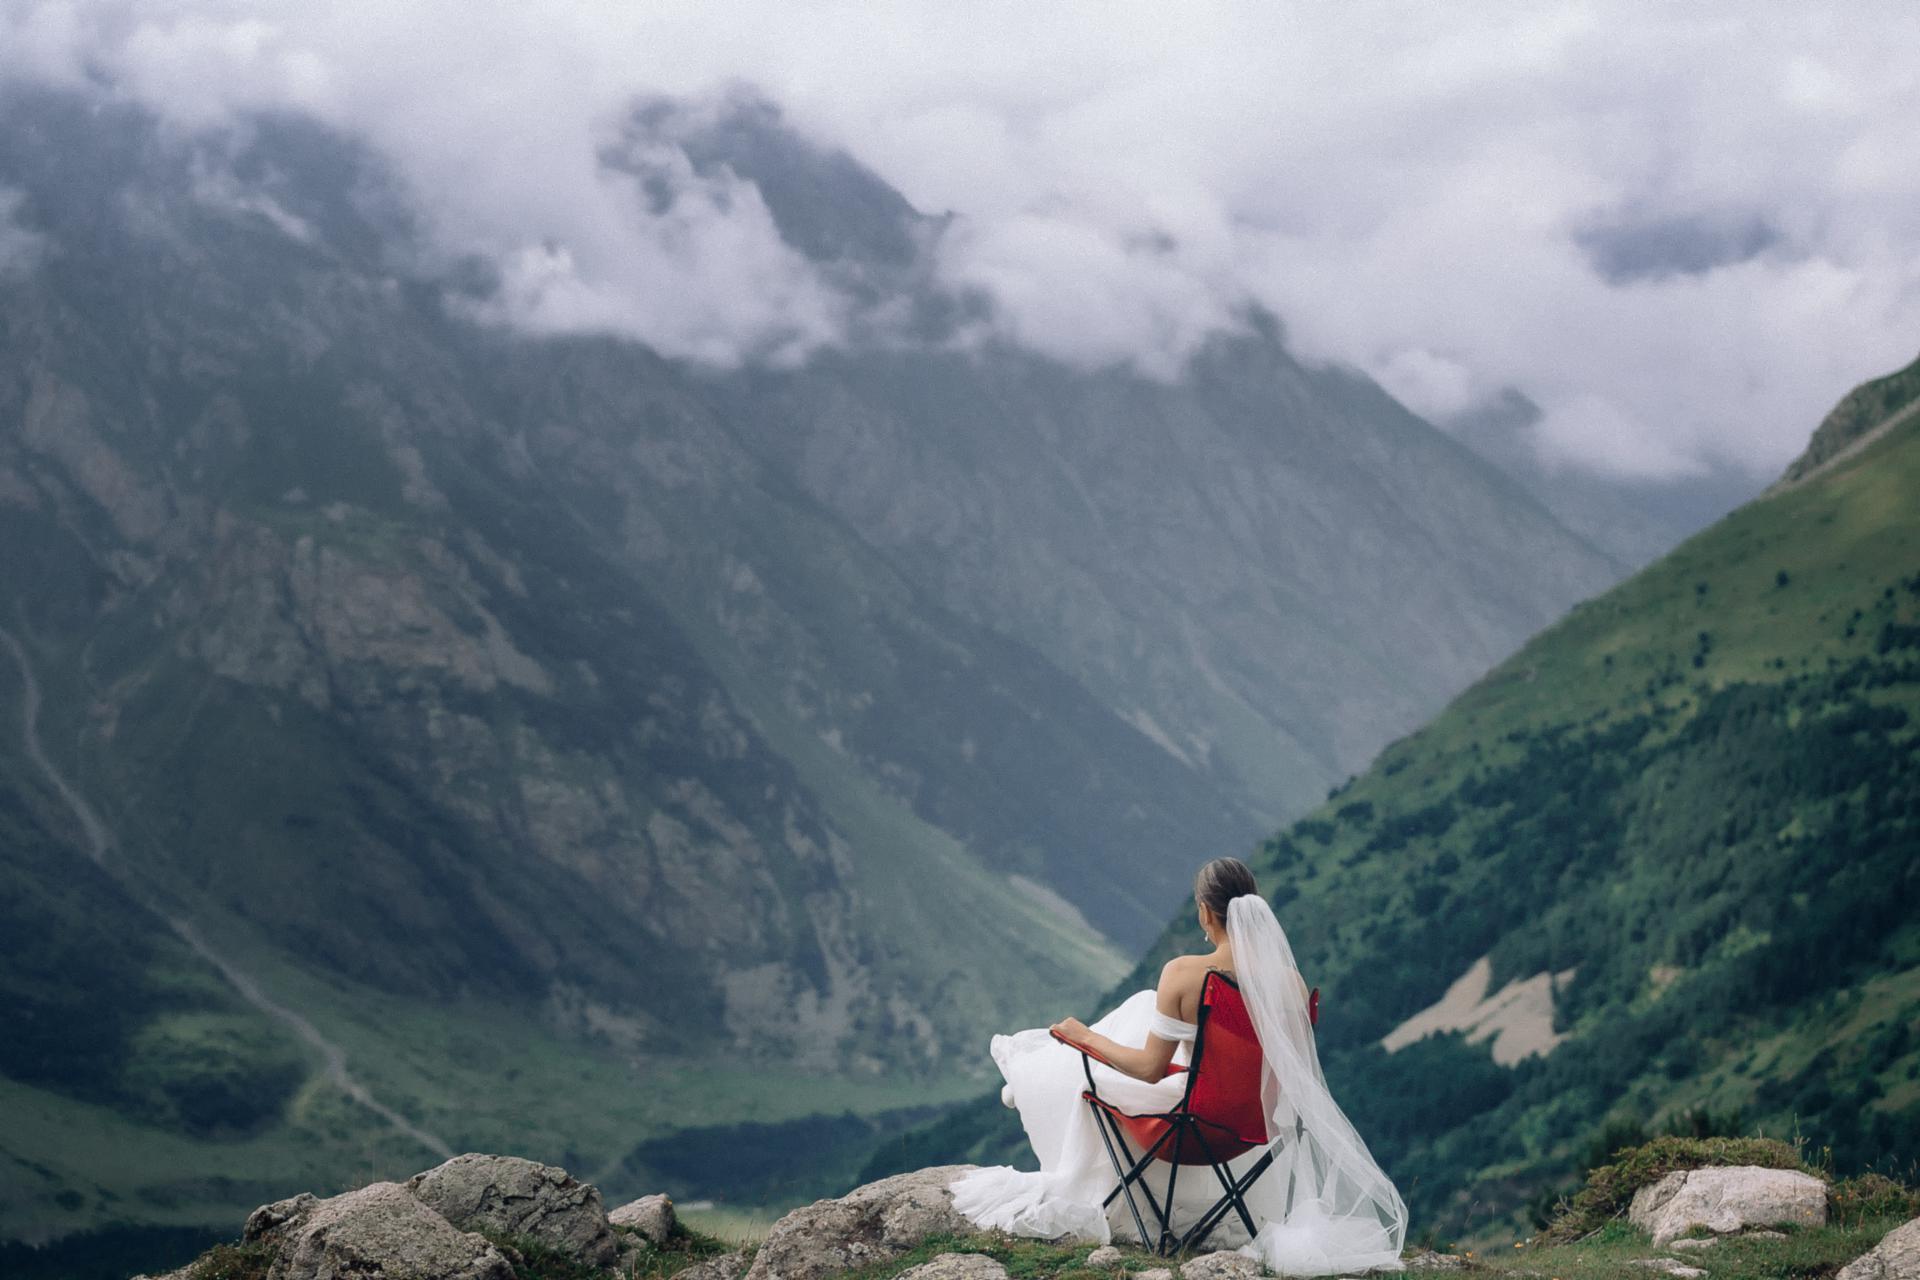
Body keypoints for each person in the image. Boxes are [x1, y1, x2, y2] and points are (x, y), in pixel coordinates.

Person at [948, 858, 1408, 1275]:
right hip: (1255, 1128)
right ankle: (1036, 1075)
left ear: (1206, 913)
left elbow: (1149, 1069)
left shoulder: (1186, 974)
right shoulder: (1288, 981)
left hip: (1190, 1127)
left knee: (1092, 1075)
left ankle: (1033, 1076)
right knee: (1144, 1015)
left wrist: (1086, 1038)